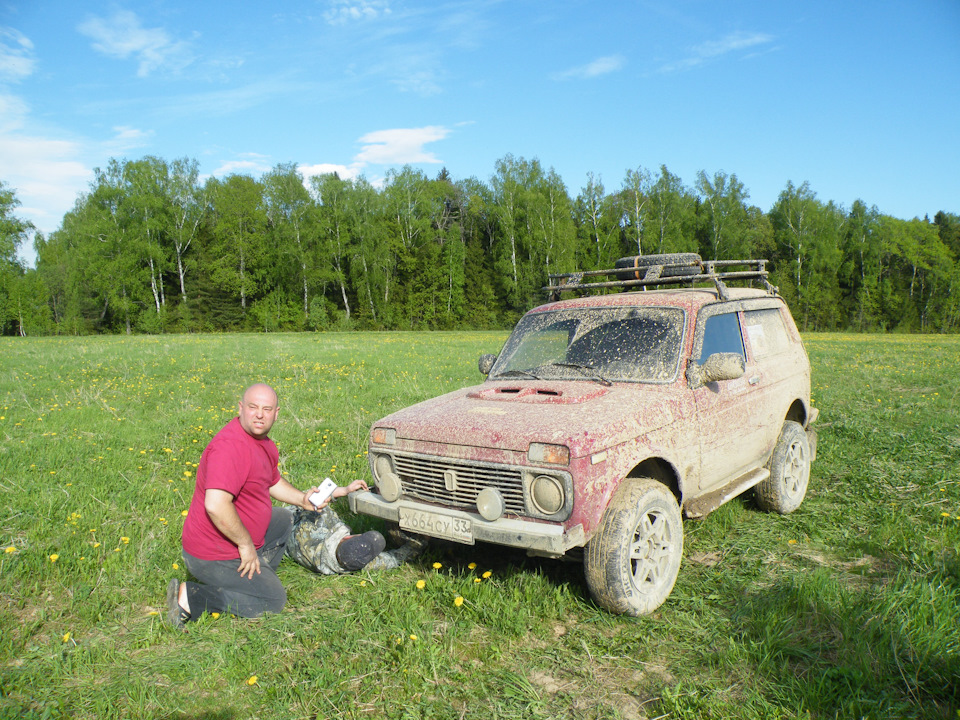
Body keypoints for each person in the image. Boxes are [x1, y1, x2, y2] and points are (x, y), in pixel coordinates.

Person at [166, 383, 420, 628]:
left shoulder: (262, 443)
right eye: (253, 407)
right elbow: (215, 504)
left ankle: (256, 572)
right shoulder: (230, 448)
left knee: (284, 520)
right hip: (213, 553)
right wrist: (245, 546)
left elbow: (272, 481)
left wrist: (301, 499)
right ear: (240, 407)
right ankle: (194, 597)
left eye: (266, 410)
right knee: (273, 600)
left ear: (276, 413)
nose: (259, 415)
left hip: (236, 537)